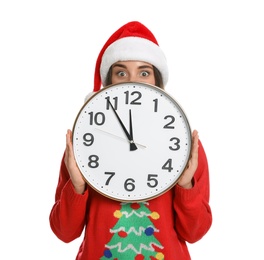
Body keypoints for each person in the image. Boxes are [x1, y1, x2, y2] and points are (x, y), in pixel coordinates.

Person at [49, 21, 212, 260]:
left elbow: (195, 232)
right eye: (121, 72)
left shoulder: (184, 145)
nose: (131, 81)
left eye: (144, 72)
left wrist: (185, 186)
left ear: (157, 81)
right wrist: (77, 186)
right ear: (109, 82)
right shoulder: (84, 143)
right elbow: (64, 233)